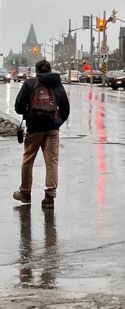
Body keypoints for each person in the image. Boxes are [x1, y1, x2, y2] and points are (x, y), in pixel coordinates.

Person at [13, 59, 70, 208]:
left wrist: (28, 113)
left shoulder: (30, 84)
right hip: (52, 129)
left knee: (28, 160)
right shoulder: (57, 84)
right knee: (51, 162)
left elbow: (18, 107)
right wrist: (57, 122)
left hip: (34, 128)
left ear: (37, 71)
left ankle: (25, 193)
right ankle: (49, 198)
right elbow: (65, 108)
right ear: (50, 70)